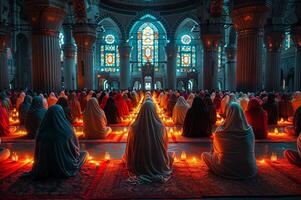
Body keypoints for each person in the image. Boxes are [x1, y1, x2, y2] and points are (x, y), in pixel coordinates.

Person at [202, 102, 258, 179]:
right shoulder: (249, 130)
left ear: (228, 113)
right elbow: (251, 149)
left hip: (225, 169)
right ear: (241, 113)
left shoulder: (220, 132)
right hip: (249, 170)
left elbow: (216, 151)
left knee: (204, 155)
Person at [29, 105, 87, 179]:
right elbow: (75, 150)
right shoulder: (67, 130)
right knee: (85, 154)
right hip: (65, 166)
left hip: (44, 168)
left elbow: (37, 154)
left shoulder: (41, 132)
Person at [123, 101, 173, 183]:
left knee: (124, 157)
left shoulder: (133, 127)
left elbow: (130, 148)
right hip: (158, 163)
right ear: (154, 111)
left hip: (138, 164)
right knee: (171, 155)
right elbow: (165, 146)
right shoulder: (161, 127)